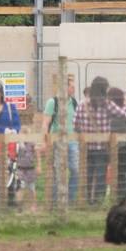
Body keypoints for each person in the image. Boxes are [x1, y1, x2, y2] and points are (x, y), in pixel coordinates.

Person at [73, 76, 114, 204]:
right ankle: (98, 201)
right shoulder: (108, 104)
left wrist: (85, 133)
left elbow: (75, 125)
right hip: (103, 147)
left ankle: (86, 200)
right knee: (101, 175)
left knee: (87, 175)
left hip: (86, 147)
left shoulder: (82, 104)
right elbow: (123, 114)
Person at [44, 74, 80, 204]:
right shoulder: (52, 102)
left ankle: (70, 199)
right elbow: (46, 123)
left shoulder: (75, 102)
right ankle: (56, 200)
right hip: (57, 141)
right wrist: (45, 141)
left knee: (76, 170)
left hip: (73, 142)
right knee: (58, 170)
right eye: (71, 86)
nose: (73, 89)